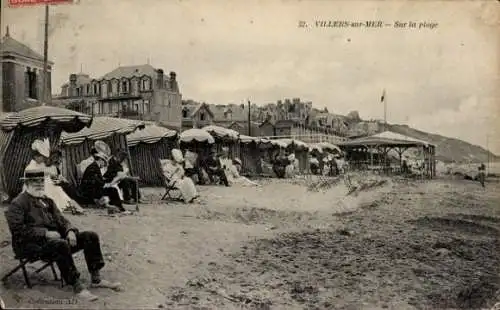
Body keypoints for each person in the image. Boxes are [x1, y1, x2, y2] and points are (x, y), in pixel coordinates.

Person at [5, 168, 121, 302]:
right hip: (30, 246)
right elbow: (18, 231)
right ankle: (77, 286)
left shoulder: (47, 200)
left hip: (55, 241)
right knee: (60, 244)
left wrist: (69, 230)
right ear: (27, 183)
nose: (39, 184)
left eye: (41, 181)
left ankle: (96, 279)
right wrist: (45, 233)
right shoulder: (18, 203)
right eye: (34, 181)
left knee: (90, 236)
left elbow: (62, 220)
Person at [23, 139, 82, 214]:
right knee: (51, 192)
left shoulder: (42, 164)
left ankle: (68, 204)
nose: (43, 159)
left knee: (58, 189)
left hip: (45, 187)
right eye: (42, 157)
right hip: (37, 191)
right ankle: (61, 206)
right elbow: (33, 187)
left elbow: (48, 178)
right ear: (35, 156)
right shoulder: (30, 167)